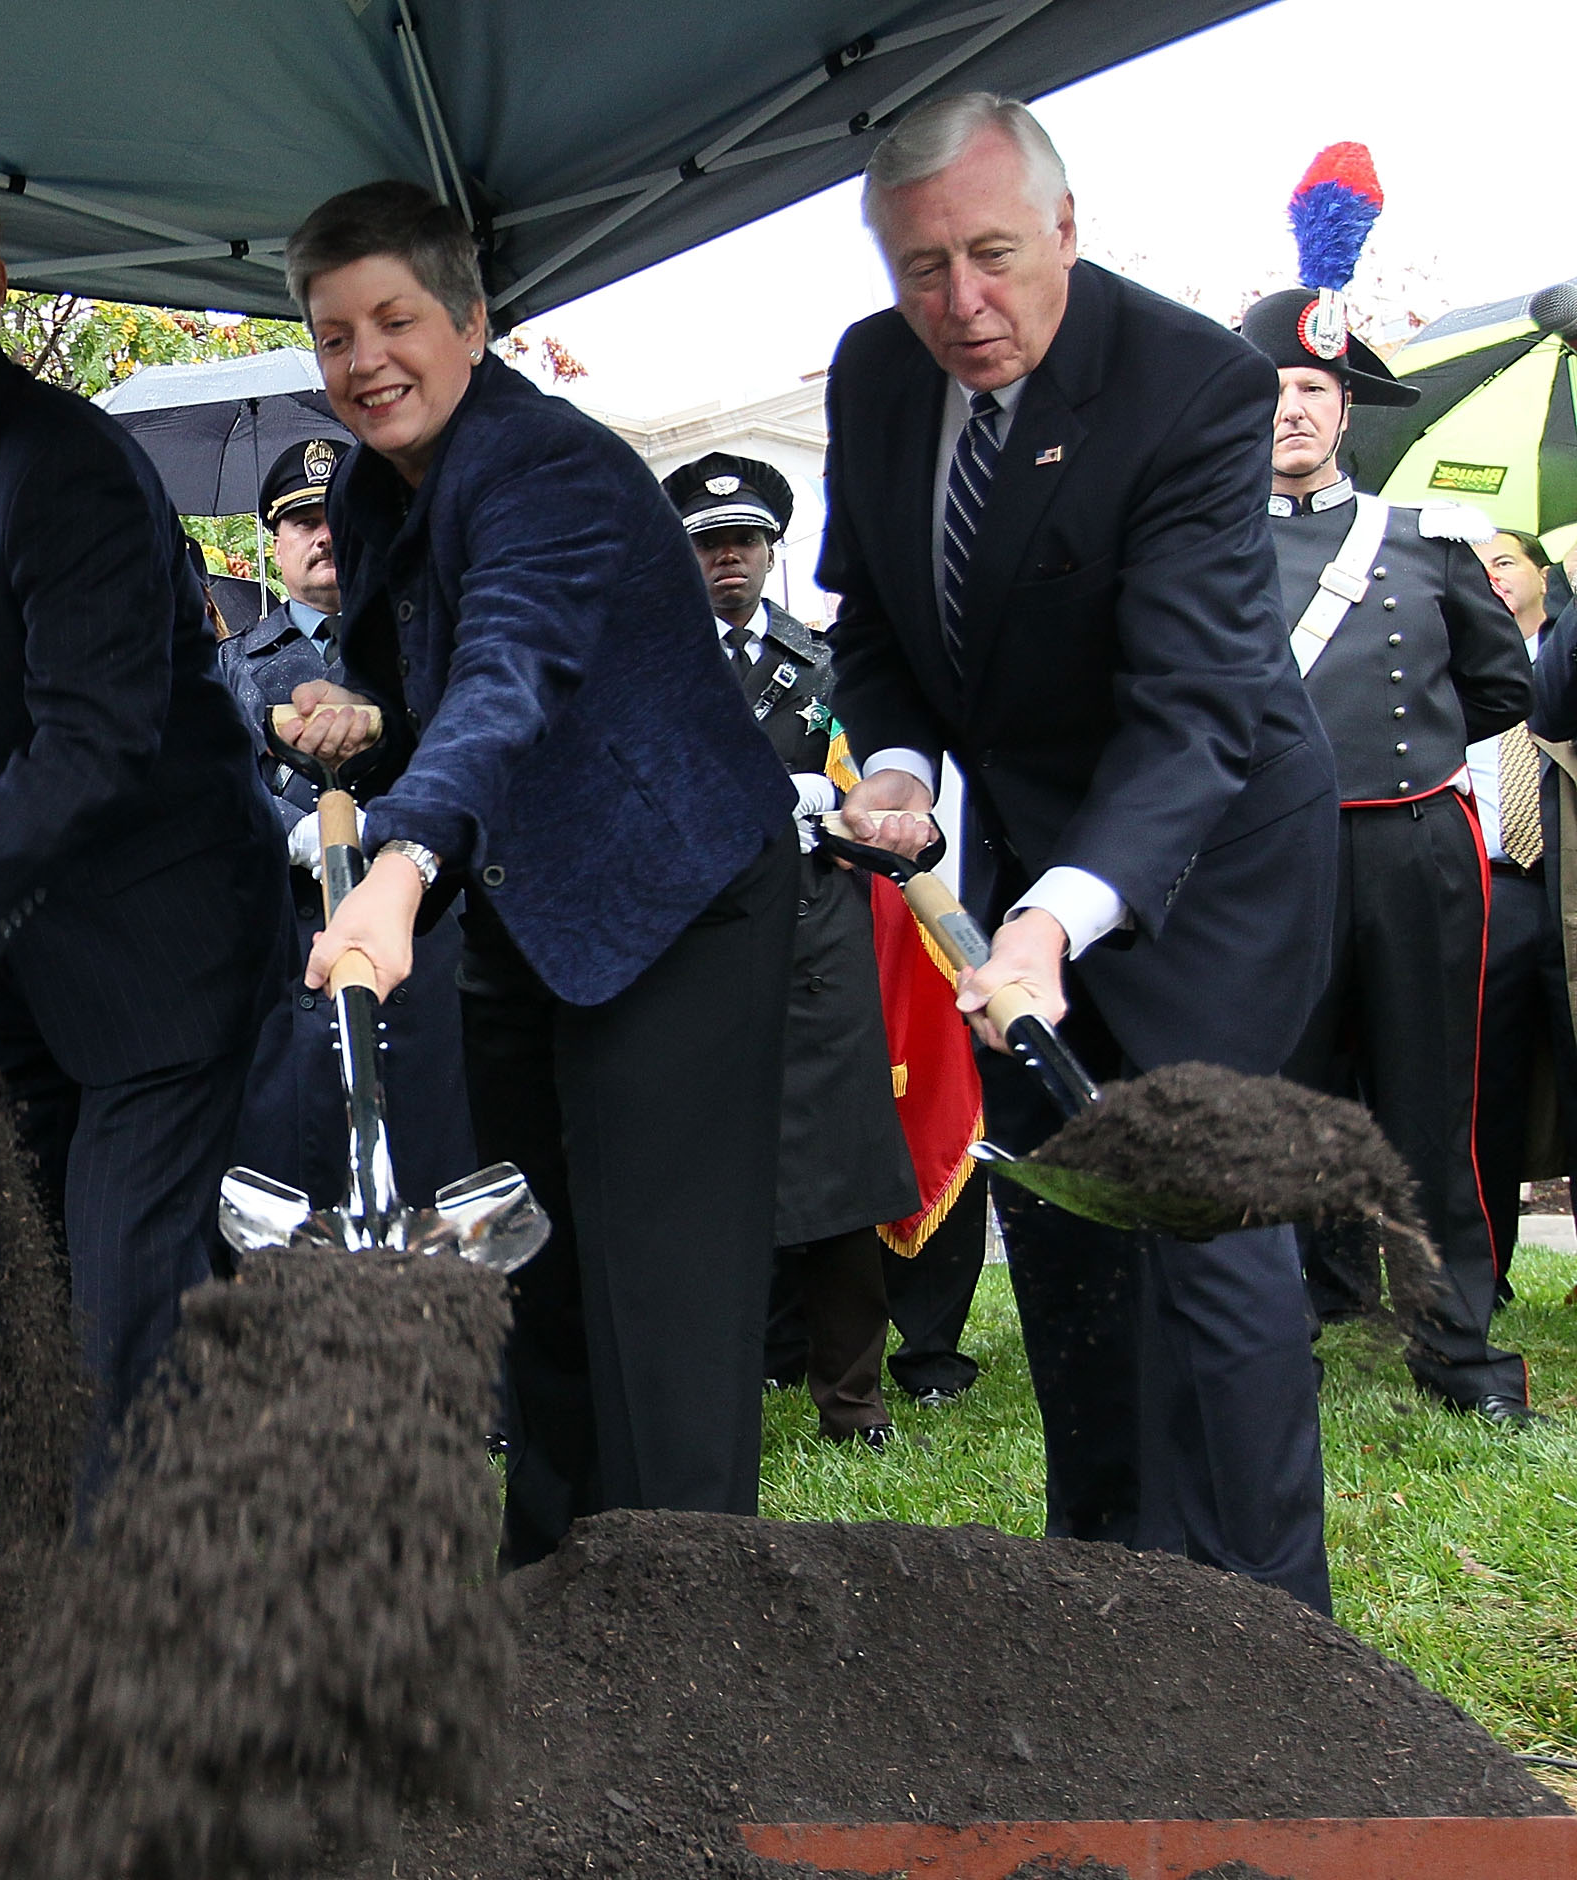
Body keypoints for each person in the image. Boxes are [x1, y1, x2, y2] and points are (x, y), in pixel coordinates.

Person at [822, 94, 1342, 1613]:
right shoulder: (874, 373)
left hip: (1212, 850)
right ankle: (1110, 1597)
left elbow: (1196, 713)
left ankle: (1264, 1631)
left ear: (1064, 226)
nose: (961, 305)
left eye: (992, 254)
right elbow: (876, 620)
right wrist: (907, 776)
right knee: (1059, 1208)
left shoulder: (1192, 382)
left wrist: (1054, 921)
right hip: (1031, 851)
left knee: (1201, 1214)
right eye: (921, 268)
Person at [277, 182, 798, 1564]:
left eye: (396, 320)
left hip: (673, 903)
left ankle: (690, 1623)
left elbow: (511, 676)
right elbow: (431, 687)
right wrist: (368, 718)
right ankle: (561, 1609)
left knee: (662, 1308)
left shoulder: (547, 466)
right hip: (526, 910)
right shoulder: (374, 484)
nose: (366, 359)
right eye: (334, 335)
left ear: (472, 319)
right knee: (538, 1275)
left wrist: (396, 871)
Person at [0, 149, 285, 1473]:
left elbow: (95, 734)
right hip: (29, 951)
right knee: (16, 1284)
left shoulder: (65, 463)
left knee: (125, 1290)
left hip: (163, 941)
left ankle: (129, 1629)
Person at [1245, 284, 1533, 1425]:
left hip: (1415, 850)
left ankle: (1455, 1343)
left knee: (1431, 1102)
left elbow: (1501, 684)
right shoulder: (1201, 552)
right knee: (1279, 1103)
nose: (1292, 411)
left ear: (1346, 408)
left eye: (1312, 389)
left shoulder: (1426, 543)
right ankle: (1283, 1331)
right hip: (1273, 862)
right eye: (1269, 393)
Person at [664, 452, 917, 1447]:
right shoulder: (648, 662)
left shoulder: (827, 662)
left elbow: (894, 796)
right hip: (693, 932)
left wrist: (836, 800)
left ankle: (853, 1399)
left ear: (773, 551)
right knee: (700, 1178)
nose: (727, 557)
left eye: (744, 540)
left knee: (840, 1173)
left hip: (815, 928)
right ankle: (714, 1388)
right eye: (707, 542)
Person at [212, 436, 473, 1220]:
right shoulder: (229, 665)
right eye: (301, 522)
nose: (324, 535)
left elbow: (458, 757)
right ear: (275, 542)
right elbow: (213, 784)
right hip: (291, 941)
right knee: (302, 1167)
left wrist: (386, 828)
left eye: (337, 518)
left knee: (432, 1155)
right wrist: (293, 828)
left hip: (419, 932)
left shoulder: (420, 649)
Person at [1472, 528, 1575, 1304]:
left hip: (1568, 885)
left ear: (1546, 575)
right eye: (1475, 567)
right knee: (1489, 1082)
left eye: (1505, 560)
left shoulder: (1565, 651)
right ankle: (1485, 1267)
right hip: (1492, 889)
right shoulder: (1448, 664)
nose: (1490, 575)